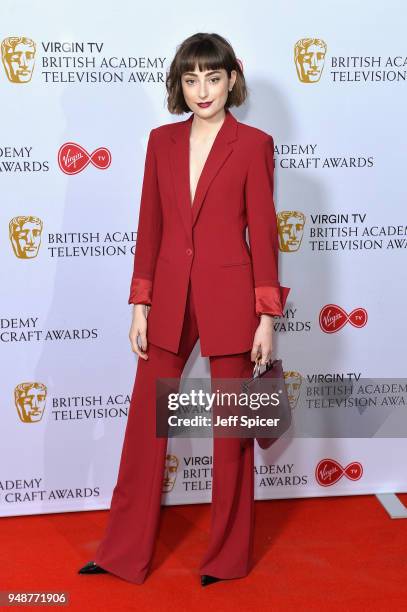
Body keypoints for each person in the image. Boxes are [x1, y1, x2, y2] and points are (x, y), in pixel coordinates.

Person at [78, 32, 290, 586]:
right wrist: (140, 303)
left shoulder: (253, 144)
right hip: (168, 296)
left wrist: (266, 316)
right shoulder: (160, 141)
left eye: (213, 78)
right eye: (191, 79)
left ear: (232, 80)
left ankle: (226, 558)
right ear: (179, 84)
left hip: (233, 298)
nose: (202, 90)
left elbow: (264, 236)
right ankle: (122, 551)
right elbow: (150, 226)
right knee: (145, 427)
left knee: (231, 434)